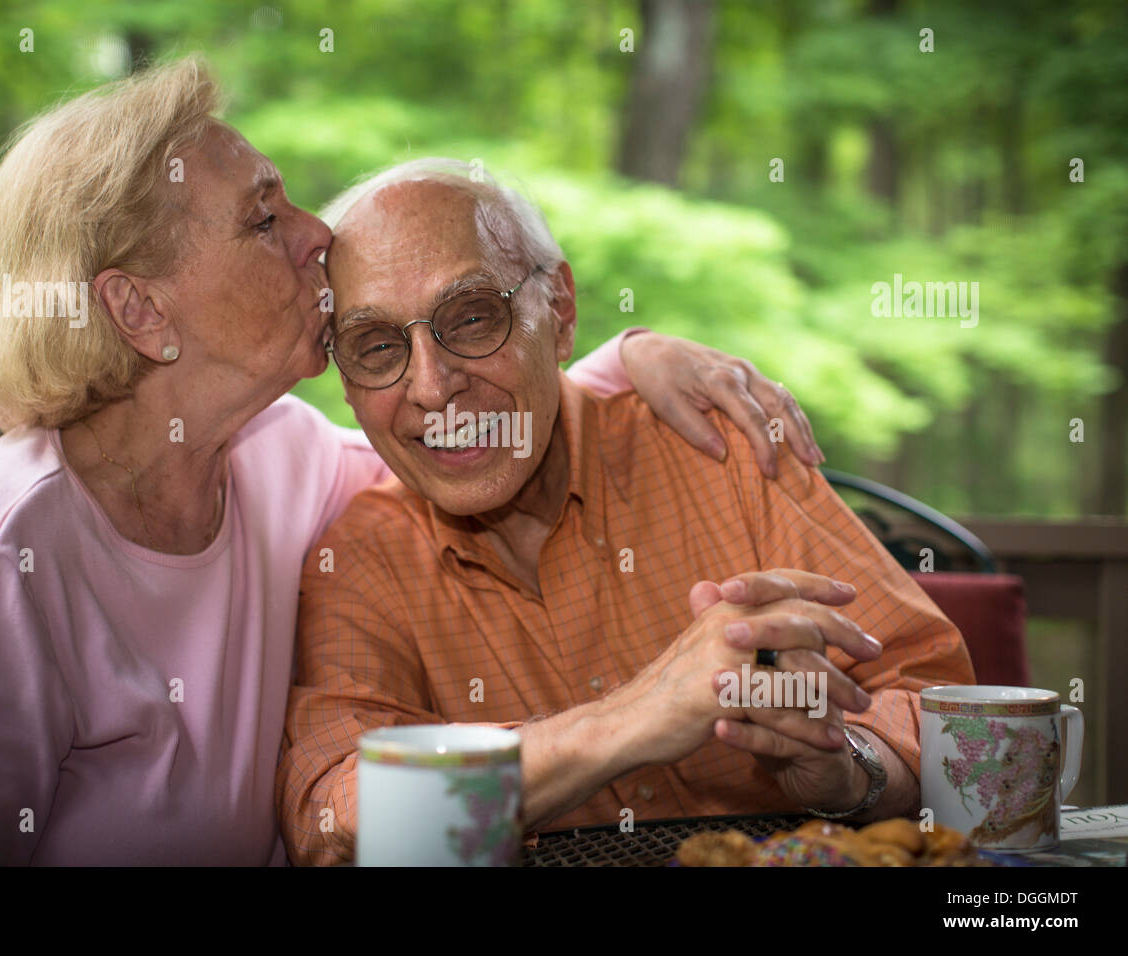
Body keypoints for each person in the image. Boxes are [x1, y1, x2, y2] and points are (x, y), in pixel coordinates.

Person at [0, 60, 817, 865]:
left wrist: (619, 357)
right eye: (265, 218)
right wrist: (640, 711)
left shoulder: (279, 457)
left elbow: (460, 432)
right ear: (141, 311)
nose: (318, 237)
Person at [277, 159, 976, 866]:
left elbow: (947, 711)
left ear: (560, 314)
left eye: (473, 317)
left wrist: (847, 769)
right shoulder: (359, 557)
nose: (431, 386)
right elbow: (331, 818)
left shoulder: (722, 454)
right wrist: (633, 719)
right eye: (377, 346)